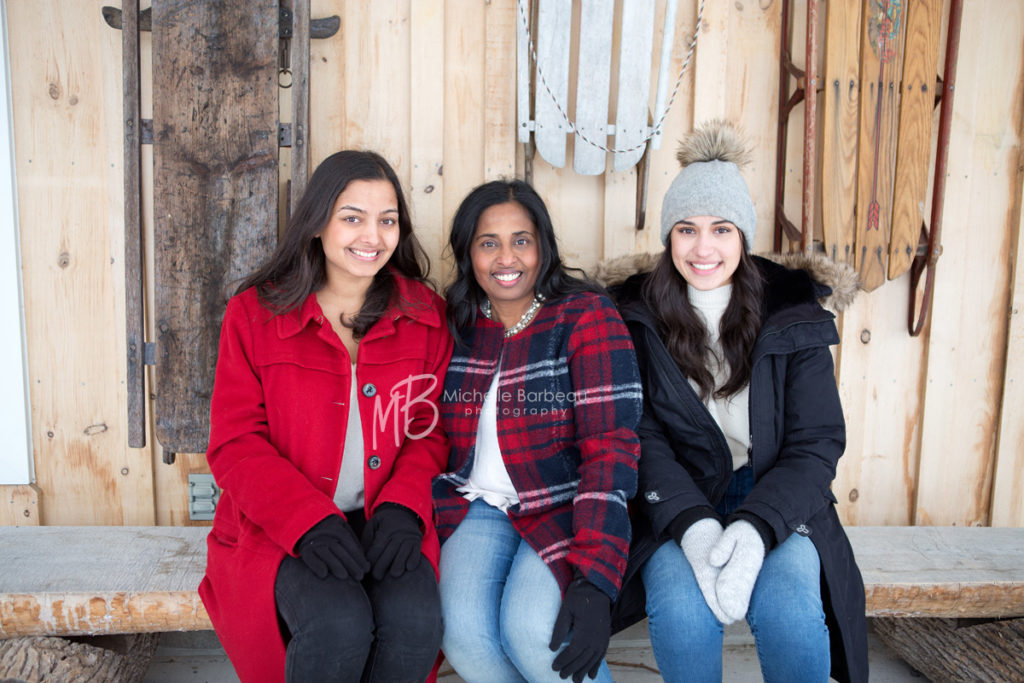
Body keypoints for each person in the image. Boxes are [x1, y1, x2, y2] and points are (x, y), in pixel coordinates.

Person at [609, 120, 869, 682]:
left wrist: (756, 528)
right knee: (682, 612)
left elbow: (815, 442)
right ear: (668, 238)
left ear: (743, 236)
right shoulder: (634, 317)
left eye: (722, 229)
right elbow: (639, 434)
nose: (704, 248)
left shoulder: (792, 313)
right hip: (680, 492)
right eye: (686, 230)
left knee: (792, 613)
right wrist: (693, 524)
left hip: (773, 487)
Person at [199, 150, 453, 683]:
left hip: (384, 519)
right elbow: (235, 442)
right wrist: (306, 522)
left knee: (414, 619)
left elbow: (431, 432)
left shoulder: (425, 316)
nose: (373, 236)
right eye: (353, 217)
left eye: (387, 220)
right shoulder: (254, 315)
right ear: (317, 223)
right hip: (284, 524)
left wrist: (406, 508)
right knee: (337, 622)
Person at [432, 180, 642, 683]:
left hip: (563, 503)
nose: (507, 258)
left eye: (521, 240)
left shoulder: (586, 317)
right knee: (462, 633)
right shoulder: (456, 322)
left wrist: (594, 579)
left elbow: (611, 448)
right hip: (476, 502)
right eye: (489, 243)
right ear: (468, 253)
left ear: (543, 246)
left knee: (531, 630)